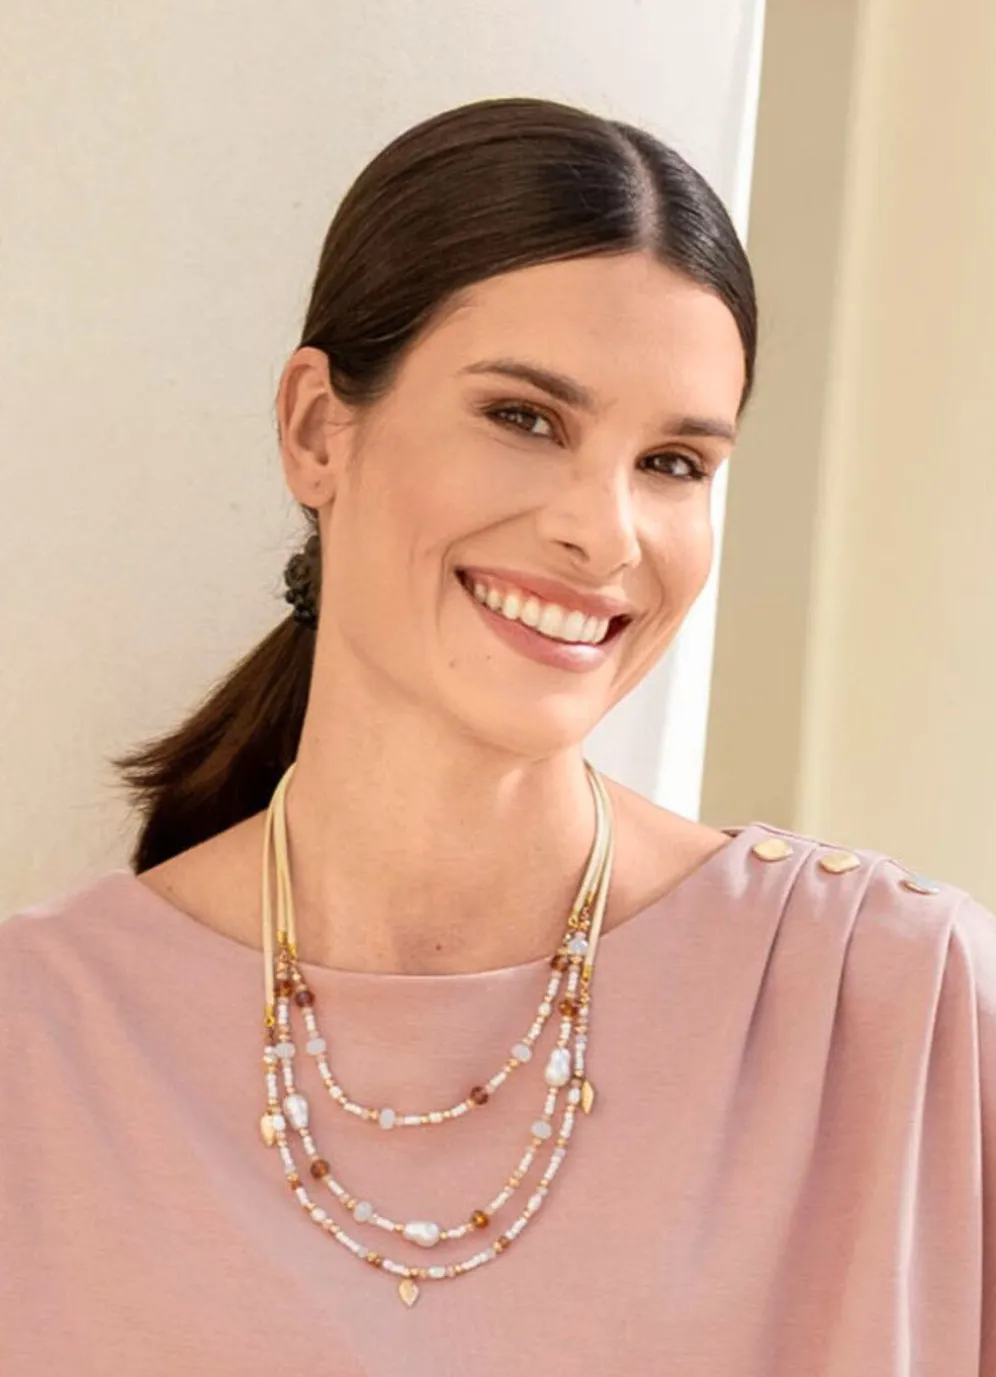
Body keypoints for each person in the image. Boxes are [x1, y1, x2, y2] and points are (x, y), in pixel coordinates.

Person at [1, 95, 993, 1377]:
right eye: (526, 418)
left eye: (675, 463)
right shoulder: (39, 1046)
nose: (605, 532)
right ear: (316, 429)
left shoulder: (897, 1010)